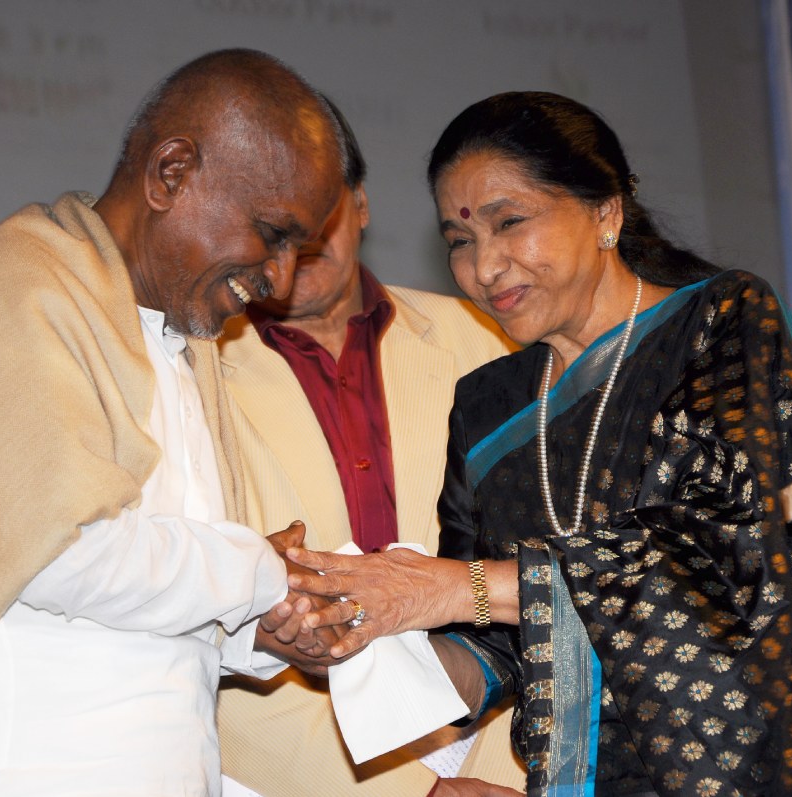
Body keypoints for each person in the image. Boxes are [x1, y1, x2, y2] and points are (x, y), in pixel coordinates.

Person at [286, 91, 792, 795]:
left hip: (770, 767)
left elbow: (725, 552)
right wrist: (355, 638)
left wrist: (453, 587)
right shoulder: (487, 406)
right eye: (460, 241)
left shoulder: (720, 321)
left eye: (509, 222)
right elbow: (497, 643)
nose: (484, 267)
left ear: (606, 213)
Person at [0, 49, 346, 796]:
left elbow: (150, 605)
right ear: (171, 173)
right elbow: (57, 551)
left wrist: (267, 626)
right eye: (273, 233)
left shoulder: (183, 341)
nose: (279, 277)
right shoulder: (15, 289)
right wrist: (258, 572)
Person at [214, 98, 523, 796]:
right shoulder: (189, 371)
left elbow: (558, 571)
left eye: (316, 205)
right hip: (294, 771)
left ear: (360, 204)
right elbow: (197, 620)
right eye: (271, 215)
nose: (297, 234)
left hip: (511, 754)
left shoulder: (494, 337)